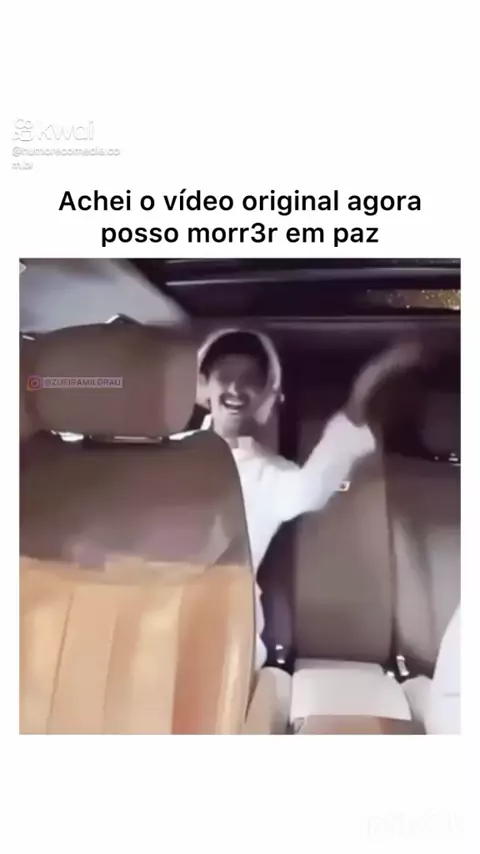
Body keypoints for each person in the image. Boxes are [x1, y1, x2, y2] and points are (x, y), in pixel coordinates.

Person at [197, 328, 422, 667]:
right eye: (224, 376)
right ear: (204, 385)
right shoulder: (159, 457)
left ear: (265, 394)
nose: (236, 388)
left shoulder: (271, 474)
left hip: (224, 633)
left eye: (250, 379)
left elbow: (315, 485)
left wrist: (370, 382)